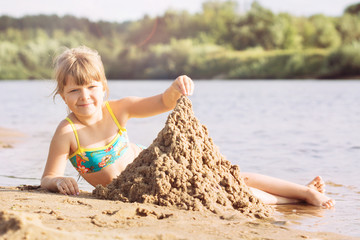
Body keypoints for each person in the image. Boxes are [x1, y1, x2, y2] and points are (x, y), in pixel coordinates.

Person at [41, 46, 335, 209]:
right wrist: (57, 183)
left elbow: (162, 102)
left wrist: (175, 87)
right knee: (220, 193)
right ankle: (294, 200)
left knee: (230, 175)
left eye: (92, 87)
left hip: (156, 170)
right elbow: (48, 177)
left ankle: (303, 192)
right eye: (74, 90)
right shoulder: (67, 133)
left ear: (103, 87)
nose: (84, 96)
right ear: (62, 94)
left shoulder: (118, 109)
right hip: (130, 192)